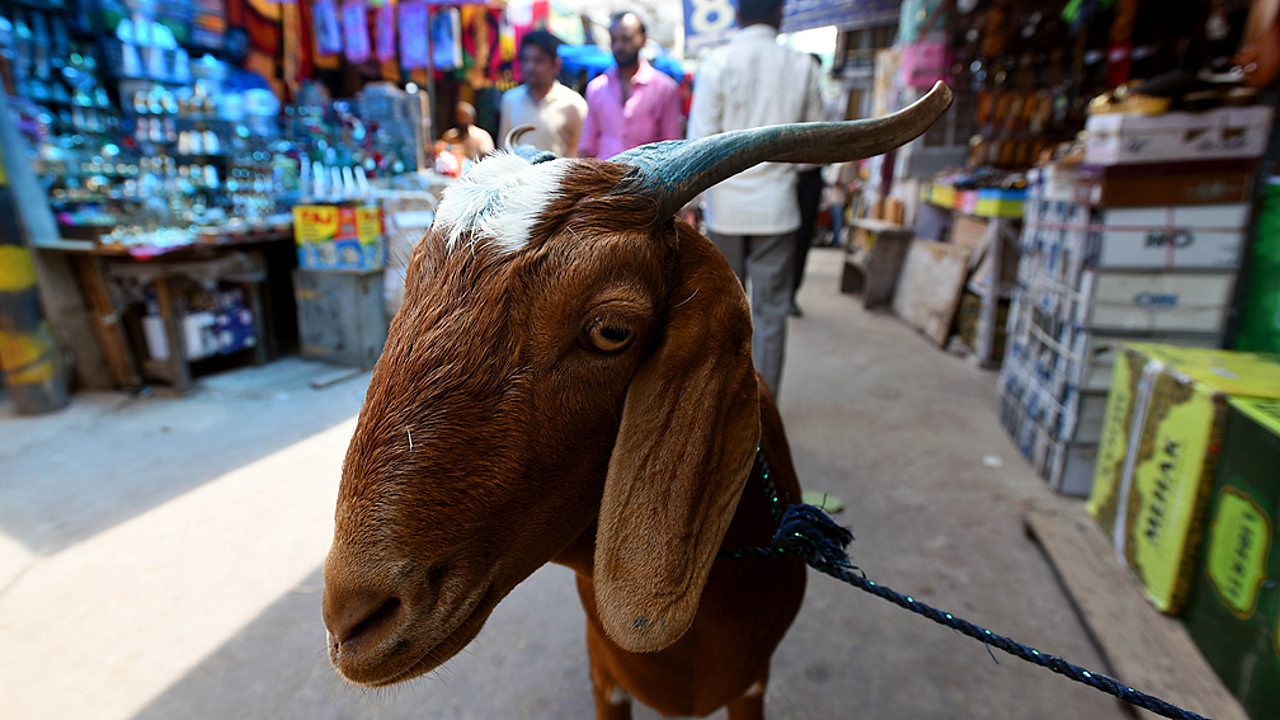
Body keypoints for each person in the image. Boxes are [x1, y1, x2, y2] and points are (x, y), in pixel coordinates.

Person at [686, 0, 823, 398]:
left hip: (727, 208)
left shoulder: (716, 63)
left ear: (738, 13)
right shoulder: (802, 66)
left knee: (721, 315)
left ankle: (720, 408)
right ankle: (765, 412)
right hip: (777, 208)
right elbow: (813, 153)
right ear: (780, 13)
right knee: (772, 314)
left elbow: (700, 144)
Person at [577, 11, 683, 159]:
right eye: (614, 40)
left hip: (649, 180)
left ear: (643, 39)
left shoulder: (665, 89)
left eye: (626, 39)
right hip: (605, 178)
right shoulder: (597, 88)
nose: (619, 46)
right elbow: (587, 146)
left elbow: (672, 148)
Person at [498, 30, 587, 157]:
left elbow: (583, 154)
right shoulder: (510, 100)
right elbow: (503, 150)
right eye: (525, 60)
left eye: (538, 60)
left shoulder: (573, 104)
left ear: (556, 64)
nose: (530, 67)